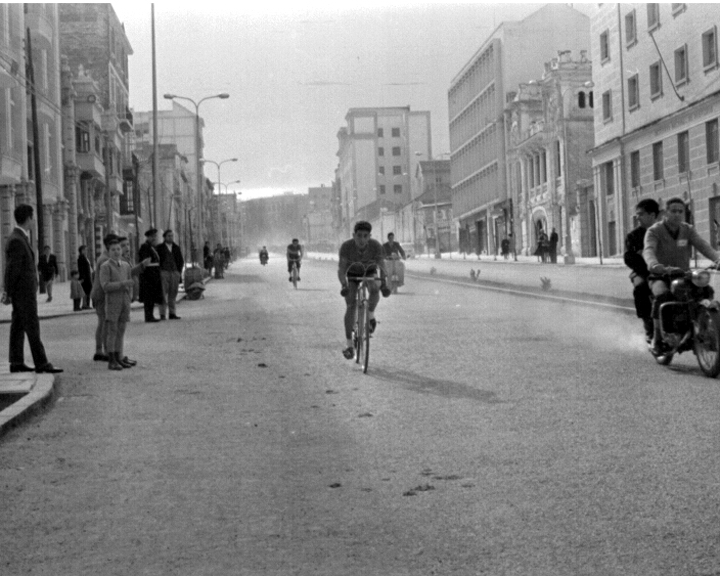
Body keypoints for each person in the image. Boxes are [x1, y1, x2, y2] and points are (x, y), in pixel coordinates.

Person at [643, 196, 720, 354]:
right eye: (673, 211)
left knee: (706, 291)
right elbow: (649, 250)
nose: (677, 214)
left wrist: (718, 259)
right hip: (660, 275)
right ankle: (657, 339)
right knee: (662, 296)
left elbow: (703, 245)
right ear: (665, 213)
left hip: (683, 274)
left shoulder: (687, 229)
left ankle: (705, 329)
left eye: (680, 211)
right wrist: (654, 265)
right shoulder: (654, 231)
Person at [1, 204, 62, 373]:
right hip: (23, 294)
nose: (34, 221)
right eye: (33, 217)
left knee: (18, 326)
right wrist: (8, 293)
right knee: (32, 326)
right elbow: (13, 269)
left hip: (22, 292)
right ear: (28, 218)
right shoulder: (17, 240)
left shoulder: (19, 238)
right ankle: (41, 363)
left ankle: (16, 362)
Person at [338, 221, 391, 359]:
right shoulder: (346, 247)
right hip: (352, 274)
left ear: (369, 236)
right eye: (359, 236)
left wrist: (384, 282)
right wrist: (344, 284)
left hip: (369, 271)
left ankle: (371, 315)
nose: (362, 240)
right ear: (353, 235)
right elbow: (342, 268)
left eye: (365, 236)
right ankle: (349, 344)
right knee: (351, 304)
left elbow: (382, 265)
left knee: (375, 288)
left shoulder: (376, 246)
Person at [99, 236, 150, 370]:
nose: (116, 252)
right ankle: (111, 360)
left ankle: (119, 357)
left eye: (118, 249)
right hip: (112, 302)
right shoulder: (105, 266)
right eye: (113, 249)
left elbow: (130, 281)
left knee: (121, 330)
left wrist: (130, 295)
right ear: (108, 251)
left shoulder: (126, 266)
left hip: (124, 302)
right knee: (112, 330)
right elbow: (105, 286)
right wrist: (123, 284)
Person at [624, 199, 659, 343]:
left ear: (652, 215)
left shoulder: (663, 231)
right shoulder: (633, 236)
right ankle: (649, 327)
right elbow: (629, 258)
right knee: (641, 288)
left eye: (641, 214)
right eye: (637, 214)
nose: (637, 217)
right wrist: (647, 269)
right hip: (641, 271)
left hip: (664, 271)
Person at [89, 233, 118, 361]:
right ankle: (103, 351)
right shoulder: (104, 259)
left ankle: (101, 350)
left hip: (102, 294)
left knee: (103, 323)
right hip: (101, 295)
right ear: (108, 245)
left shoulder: (106, 257)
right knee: (104, 323)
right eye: (113, 244)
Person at [156, 229, 184, 320]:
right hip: (164, 272)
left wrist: (178, 272)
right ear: (164, 237)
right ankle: (162, 314)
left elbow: (180, 260)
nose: (171, 237)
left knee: (173, 293)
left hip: (174, 272)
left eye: (172, 236)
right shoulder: (159, 248)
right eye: (169, 236)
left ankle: (172, 313)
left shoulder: (176, 247)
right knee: (163, 293)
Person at [138, 228, 163, 323]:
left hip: (154, 275)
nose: (154, 238)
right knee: (148, 297)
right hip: (148, 276)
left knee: (152, 297)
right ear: (148, 237)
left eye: (155, 236)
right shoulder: (145, 247)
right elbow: (146, 261)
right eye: (152, 236)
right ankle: (148, 316)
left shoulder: (153, 247)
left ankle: (151, 315)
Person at [120, 236, 139, 302]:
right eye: (123, 246)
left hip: (131, 295)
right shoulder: (120, 261)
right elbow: (129, 273)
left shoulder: (128, 259)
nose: (127, 247)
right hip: (125, 295)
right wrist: (141, 266)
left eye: (128, 244)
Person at [77, 245, 93, 309]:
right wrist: (82, 278)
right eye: (85, 250)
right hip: (85, 277)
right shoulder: (81, 258)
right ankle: (85, 304)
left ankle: (86, 304)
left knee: (88, 290)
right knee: (86, 290)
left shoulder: (85, 257)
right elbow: (81, 269)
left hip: (88, 276)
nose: (86, 251)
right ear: (82, 251)